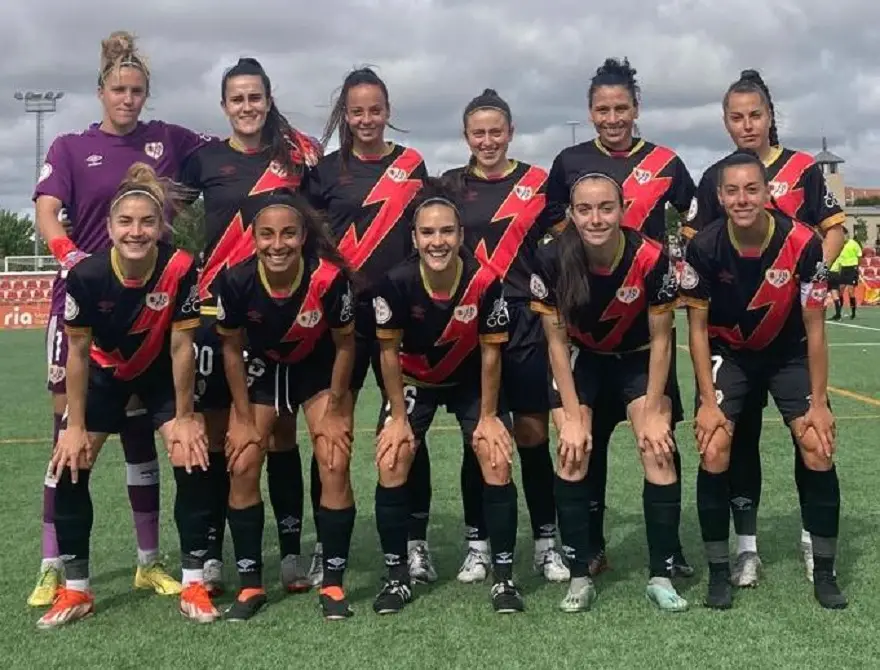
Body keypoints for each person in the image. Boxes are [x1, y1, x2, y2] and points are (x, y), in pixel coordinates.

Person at [30, 29, 210, 607]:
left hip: (152, 314)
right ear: (101, 91)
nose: (128, 99)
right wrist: (70, 258)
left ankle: (148, 563)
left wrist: (290, 143)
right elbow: (46, 211)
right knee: (70, 438)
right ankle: (53, 565)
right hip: (84, 308)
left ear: (146, 95)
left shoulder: (169, 140)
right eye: (118, 89)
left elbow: (234, 151)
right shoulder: (69, 146)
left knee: (143, 440)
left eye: (137, 91)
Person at [37, 164, 219, 629]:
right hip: (104, 374)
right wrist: (74, 425)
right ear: (111, 228)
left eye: (146, 222)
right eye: (126, 222)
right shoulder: (87, 275)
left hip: (159, 372)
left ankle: (194, 580)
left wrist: (184, 416)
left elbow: (182, 346)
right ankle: (76, 590)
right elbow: (77, 352)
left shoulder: (180, 265)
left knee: (190, 454)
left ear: (160, 227)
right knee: (72, 460)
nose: (136, 232)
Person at [684, 70, 847, 586]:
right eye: (737, 116)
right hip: (731, 338)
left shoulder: (802, 170)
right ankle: (745, 548)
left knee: (814, 438)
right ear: (726, 122)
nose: (747, 124)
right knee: (733, 437)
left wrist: (799, 276)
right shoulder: (716, 177)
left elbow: (833, 230)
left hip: (791, 324)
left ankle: (812, 543)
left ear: (771, 115)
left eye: (755, 114)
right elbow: (699, 247)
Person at [539, 57, 694, 578]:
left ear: (636, 109)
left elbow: (696, 225)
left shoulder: (668, 162)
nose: (612, 118)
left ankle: (667, 554)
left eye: (621, 108)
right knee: (587, 441)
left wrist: (683, 272)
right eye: (602, 109)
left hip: (644, 323)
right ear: (590, 112)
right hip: (585, 328)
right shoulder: (568, 162)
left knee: (659, 437)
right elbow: (550, 232)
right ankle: (590, 548)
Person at [178, 57, 322, 599]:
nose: (246, 107)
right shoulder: (204, 160)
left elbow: (321, 216)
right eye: (236, 99)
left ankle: (289, 553)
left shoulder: (297, 156)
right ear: (223, 106)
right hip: (220, 316)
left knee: (281, 434)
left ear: (268, 99)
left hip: (283, 314)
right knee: (223, 439)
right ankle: (213, 555)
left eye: (254, 97)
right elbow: (163, 212)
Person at [530, 172, 687, 613]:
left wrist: (655, 408)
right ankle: (580, 576)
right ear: (572, 213)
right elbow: (556, 343)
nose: (595, 218)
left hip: (639, 358)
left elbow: (661, 339)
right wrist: (572, 416)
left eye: (605, 208)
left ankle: (661, 574)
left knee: (657, 448)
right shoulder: (552, 258)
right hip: (583, 358)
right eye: (584, 209)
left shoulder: (651, 256)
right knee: (572, 450)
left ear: (622, 210)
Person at [371, 178, 522, 614]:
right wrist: (398, 416)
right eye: (428, 233)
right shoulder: (394, 282)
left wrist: (490, 416)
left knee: (494, 455)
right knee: (393, 455)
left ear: (460, 235)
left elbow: (492, 354)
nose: (437, 242)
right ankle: (397, 576)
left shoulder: (486, 281)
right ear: (415, 238)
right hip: (416, 380)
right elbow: (388, 352)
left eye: (446, 232)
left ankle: (504, 577)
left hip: (472, 379)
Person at [306, 67, 432, 584]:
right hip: (339, 323)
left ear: (388, 111)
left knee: (406, 431)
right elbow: (309, 242)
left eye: (374, 110)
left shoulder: (411, 164)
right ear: (345, 114)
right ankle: (325, 544)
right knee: (330, 431)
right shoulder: (325, 171)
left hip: (401, 323)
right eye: (356, 111)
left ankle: (416, 543)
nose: (366, 120)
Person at [215, 188, 357, 621]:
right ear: (253, 239)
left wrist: (334, 410)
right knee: (241, 462)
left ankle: (332, 584)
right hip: (262, 369)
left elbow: (346, 344)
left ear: (302, 237)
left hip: (316, 369)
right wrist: (240, 419)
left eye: (288, 234)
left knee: (333, 458)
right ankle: (251, 585)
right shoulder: (235, 280)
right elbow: (230, 349)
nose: (277, 244)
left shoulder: (329, 279)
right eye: (267, 235)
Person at [443, 89, 566, 584]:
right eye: (479, 132)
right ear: (467, 137)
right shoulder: (450, 185)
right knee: (480, 436)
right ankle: (478, 543)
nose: (488, 140)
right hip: (470, 323)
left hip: (525, 323)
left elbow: (566, 243)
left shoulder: (537, 183)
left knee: (533, 436)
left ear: (511, 132)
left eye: (497, 131)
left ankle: (545, 542)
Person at [828, 228, 862, 320]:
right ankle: (839, 313)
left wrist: (857, 267)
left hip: (852, 268)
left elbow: (859, 256)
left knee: (851, 292)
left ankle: (853, 313)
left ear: (847, 235)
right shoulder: (840, 245)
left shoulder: (854, 244)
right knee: (840, 290)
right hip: (843, 269)